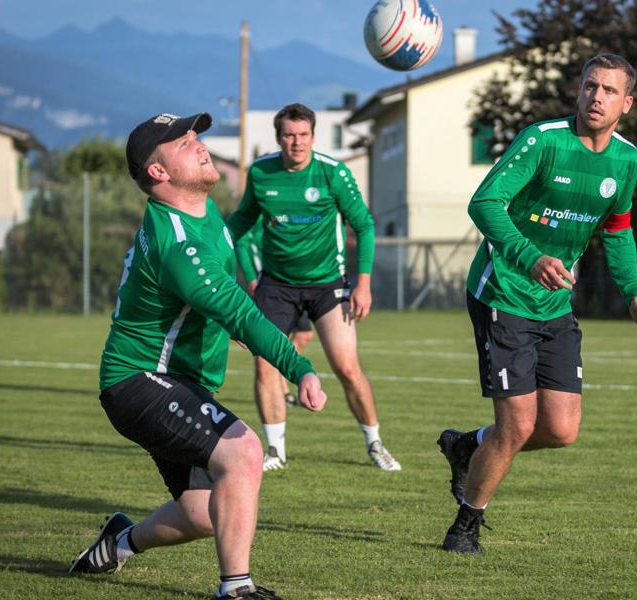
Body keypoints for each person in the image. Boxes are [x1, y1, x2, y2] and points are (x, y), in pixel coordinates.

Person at [69, 112, 327, 599]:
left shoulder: (202, 211)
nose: (201, 145)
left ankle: (119, 543)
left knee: (202, 513)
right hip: (138, 380)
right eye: (185, 143)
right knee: (245, 452)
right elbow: (243, 317)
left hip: (176, 379)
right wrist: (300, 368)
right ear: (158, 173)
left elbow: (221, 301)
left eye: (196, 136)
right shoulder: (179, 247)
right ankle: (237, 588)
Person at [437, 54, 637, 554]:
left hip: (554, 305)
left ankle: (468, 445)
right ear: (579, 91)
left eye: (608, 90)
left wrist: (635, 293)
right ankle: (466, 525)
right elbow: (485, 203)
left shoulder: (625, 159)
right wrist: (531, 257)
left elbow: (618, 229)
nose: (596, 97)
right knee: (516, 425)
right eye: (589, 86)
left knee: (560, 430)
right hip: (504, 293)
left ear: (627, 103)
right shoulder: (544, 139)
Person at [227, 103, 400, 471]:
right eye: (289, 135)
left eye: (303, 135)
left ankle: (375, 443)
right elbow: (239, 226)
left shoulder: (332, 173)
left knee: (347, 368)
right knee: (265, 364)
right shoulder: (261, 174)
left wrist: (363, 284)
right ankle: (276, 452)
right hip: (276, 285)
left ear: (313, 137)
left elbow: (364, 225)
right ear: (279, 138)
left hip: (328, 284)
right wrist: (214, 261)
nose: (297, 143)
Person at [235, 216, 316, 469]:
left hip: (297, 285)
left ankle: (286, 381)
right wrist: (250, 276)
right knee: (265, 358)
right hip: (270, 288)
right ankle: (276, 451)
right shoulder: (255, 214)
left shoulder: (291, 213)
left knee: (303, 335)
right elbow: (239, 241)